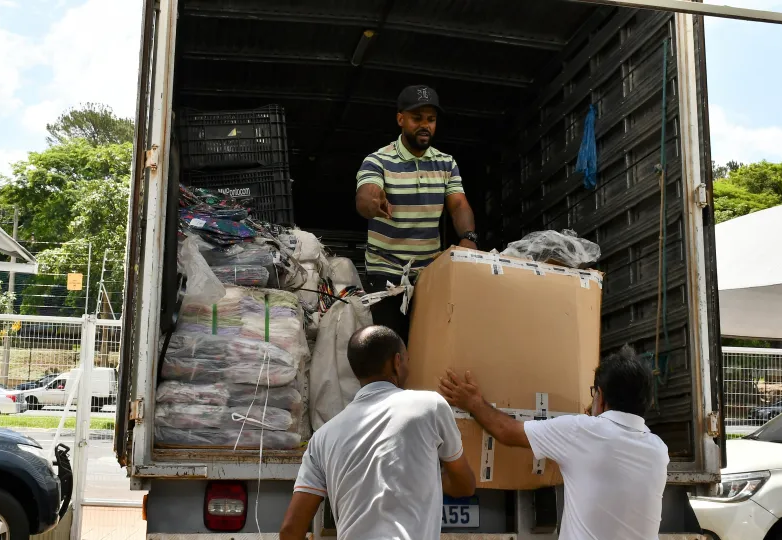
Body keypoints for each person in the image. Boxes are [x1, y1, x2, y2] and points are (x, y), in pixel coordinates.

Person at [438, 345, 669, 540]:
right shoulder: (659, 450)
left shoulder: (582, 431)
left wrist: (473, 403)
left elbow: (507, 432)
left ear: (600, 396)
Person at [280, 326, 476, 540]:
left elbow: (290, 531)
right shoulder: (431, 406)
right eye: (407, 361)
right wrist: (428, 478)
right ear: (396, 362)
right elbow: (464, 485)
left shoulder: (322, 438)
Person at [354, 85, 478, 342]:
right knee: (390, 344)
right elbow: (366, 194)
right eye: (417, 118)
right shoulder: (378, 160)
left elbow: (458, 204)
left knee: (427, 343)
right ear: (401, 119)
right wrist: (371, 202)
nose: (425, 125)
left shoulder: (446, 163)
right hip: (385, 270)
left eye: (431, 120)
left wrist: (468, 238)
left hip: (427, 271)